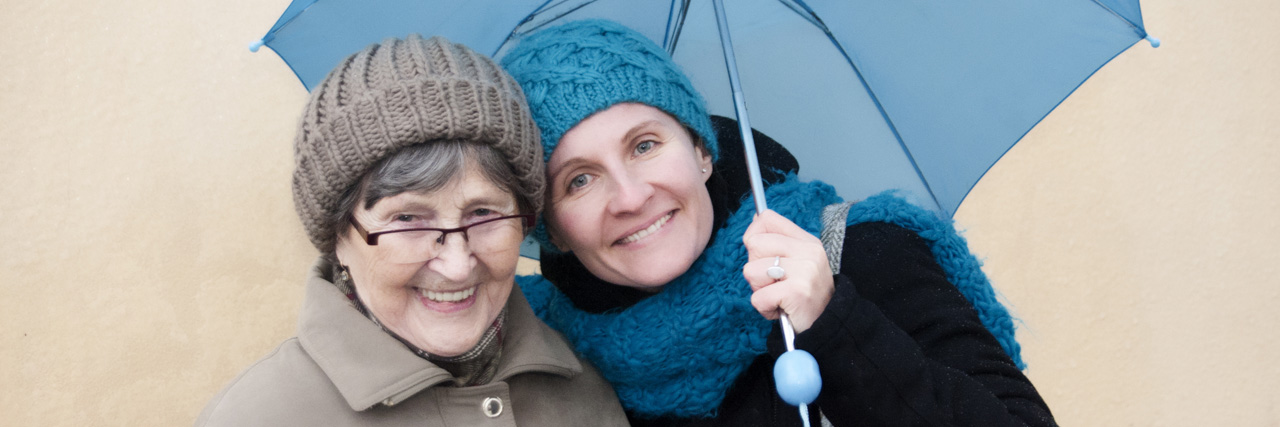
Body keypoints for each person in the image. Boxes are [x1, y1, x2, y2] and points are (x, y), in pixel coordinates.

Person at [500, 19, 1057, 426]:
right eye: (578, 179)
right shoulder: (554, 365)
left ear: (702, 150)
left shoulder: (861, 254)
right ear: (551, 230)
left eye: (644, 145)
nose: (629, 196)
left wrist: (835, 326)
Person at [195, 35, 628, 426]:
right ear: (339, 239)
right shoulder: (256, 417)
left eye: (483, 212)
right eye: (407, 219)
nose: (457, 266)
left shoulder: (584, 393)